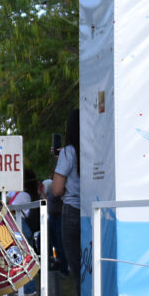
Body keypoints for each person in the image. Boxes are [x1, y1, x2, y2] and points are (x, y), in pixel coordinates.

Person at [52, 108, 82, 284]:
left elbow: (56, 189)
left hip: (72, 209)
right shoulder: (93, 148)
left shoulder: (68, 152)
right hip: (92, 209)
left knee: (77, 269)